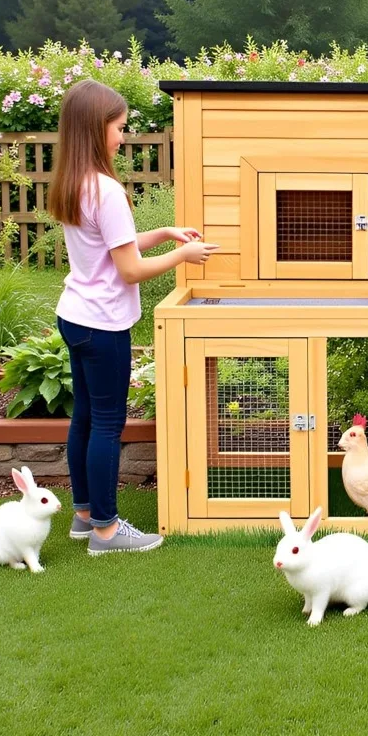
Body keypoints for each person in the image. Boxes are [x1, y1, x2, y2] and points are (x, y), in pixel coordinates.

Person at [48, 79, 216, 554]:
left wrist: (163, 232)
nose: (123, 137)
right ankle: (105, 529)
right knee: (106, 423)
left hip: (75, 315)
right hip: (103, 324)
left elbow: (112, 246)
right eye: (119, 128)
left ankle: (83, 514)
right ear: (95, 128)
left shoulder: (72, 182)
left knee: (84, 417)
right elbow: (129, 269)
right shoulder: (106, 190)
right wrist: (186, 257)